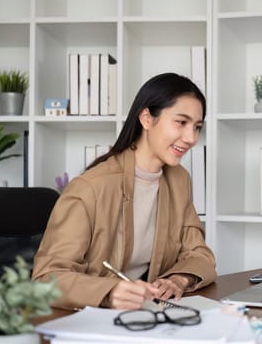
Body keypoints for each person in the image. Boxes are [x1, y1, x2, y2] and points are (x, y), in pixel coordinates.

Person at [32, 72, 217, 310]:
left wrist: (177, 280)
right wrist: (109, 293)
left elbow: (200, 255)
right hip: (89, 320)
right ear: (147, 118)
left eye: (197, 127)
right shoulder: (90, 188)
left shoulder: (179, 180)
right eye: (181, 122)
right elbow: (45, 279)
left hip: (147, 314)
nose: (191, 138)